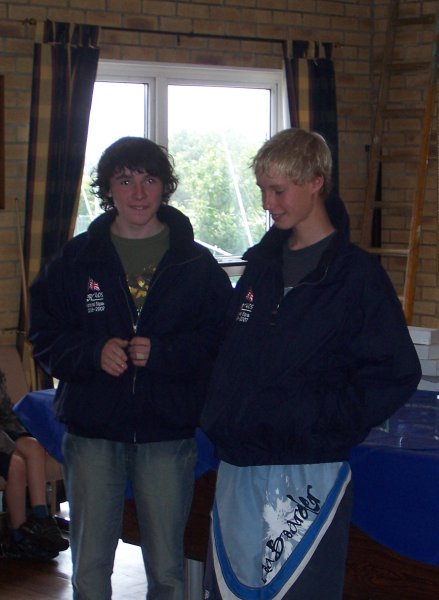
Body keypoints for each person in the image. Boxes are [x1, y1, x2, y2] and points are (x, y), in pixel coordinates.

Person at [200, 128, 421, 600]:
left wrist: (321, 420)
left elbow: (396, 371)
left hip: (309, 469)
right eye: (262, 189)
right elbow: (231, 356)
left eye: (278, 190)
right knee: (230, 592)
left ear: (316, 182)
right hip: (239, 465)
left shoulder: (356, 276)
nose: (267, 202)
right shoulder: (260, 266)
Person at [28, 136, 232, 599]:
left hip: (167, 432)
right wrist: (91, 352)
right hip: (93, 429)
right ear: (109, 190)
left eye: (149, 180)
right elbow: (43, 334)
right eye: (125, 181)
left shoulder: (196, 264)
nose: (138, 193)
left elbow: (219, 341)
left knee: (166, 570)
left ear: (165, 188)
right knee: (91, 567)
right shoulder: (75, 260)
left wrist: (164, 353)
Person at [0, 369, 69, 560]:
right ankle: (19, 536)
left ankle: (41, 519)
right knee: (16, 465)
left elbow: (6, 411)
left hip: (4, 431)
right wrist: (10, 446)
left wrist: (21, 433)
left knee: (35, 447)